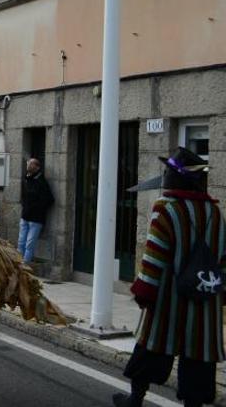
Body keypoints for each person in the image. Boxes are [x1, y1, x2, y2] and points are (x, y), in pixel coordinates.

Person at [113, 148, 225, 407]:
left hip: (168, 300)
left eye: (168, 172)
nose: (164, 176)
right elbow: (223, 259)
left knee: (151, 348)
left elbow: (154, 256)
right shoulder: (216, 213)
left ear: (180, 178)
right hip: (204, 302)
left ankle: (135, 399)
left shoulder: (166, 208)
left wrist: (144, 292)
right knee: (199, 357)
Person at [16, 157, 54, 263]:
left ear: (37, 167)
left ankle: (25, 266)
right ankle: (18, 263)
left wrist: (37, 208)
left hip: (36, 219)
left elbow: (50, 199)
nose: (28, 165)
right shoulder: (27, 179)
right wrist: (25, 205)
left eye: (31, 164)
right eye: (28, 163)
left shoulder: (41, 182)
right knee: (21, 242)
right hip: (25, 216)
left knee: (29, 243)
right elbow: (24, 196)